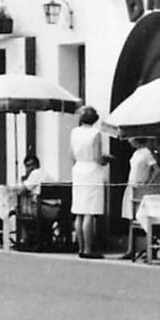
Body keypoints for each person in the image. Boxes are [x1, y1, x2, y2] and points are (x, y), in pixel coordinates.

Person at [69, 105, 107, 259]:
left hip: (78, 169)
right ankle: (88, 249)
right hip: (92, 170)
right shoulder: (96, 133)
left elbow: (71, 155)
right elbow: (98, 157)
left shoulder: (74, 132)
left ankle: (80, 246)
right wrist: (105, 160)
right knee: (89, 212)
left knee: (79, 211)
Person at [120, 137, 160, 259]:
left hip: (140, 187)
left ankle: (150, 247)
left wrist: (148, 183)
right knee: (131, 218)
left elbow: (157, 170)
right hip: (132, 185)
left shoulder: (146, 152)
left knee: (142, 218)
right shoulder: (136, 153)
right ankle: (131, 249)